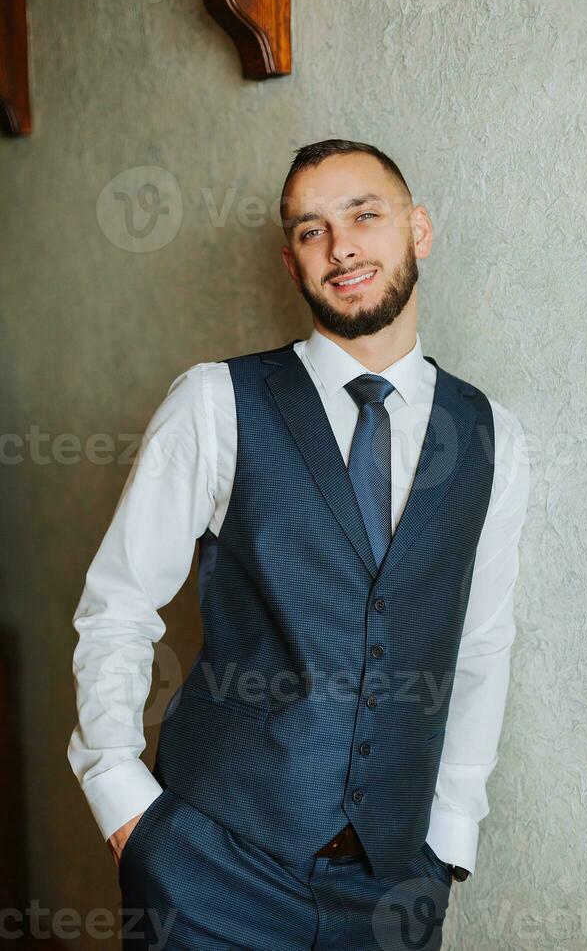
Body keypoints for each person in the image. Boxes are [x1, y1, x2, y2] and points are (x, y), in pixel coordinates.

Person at [68, 138, 530, 950]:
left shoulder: (491, 434)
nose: (342, 245)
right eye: (312, 230)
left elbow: (483, 642)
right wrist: (123, 804)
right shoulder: (216, 402)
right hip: (210, 869)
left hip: (395, 888)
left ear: (417, 229)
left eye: (364, 215)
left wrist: (451, 836)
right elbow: (119, 605)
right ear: (291, 263)